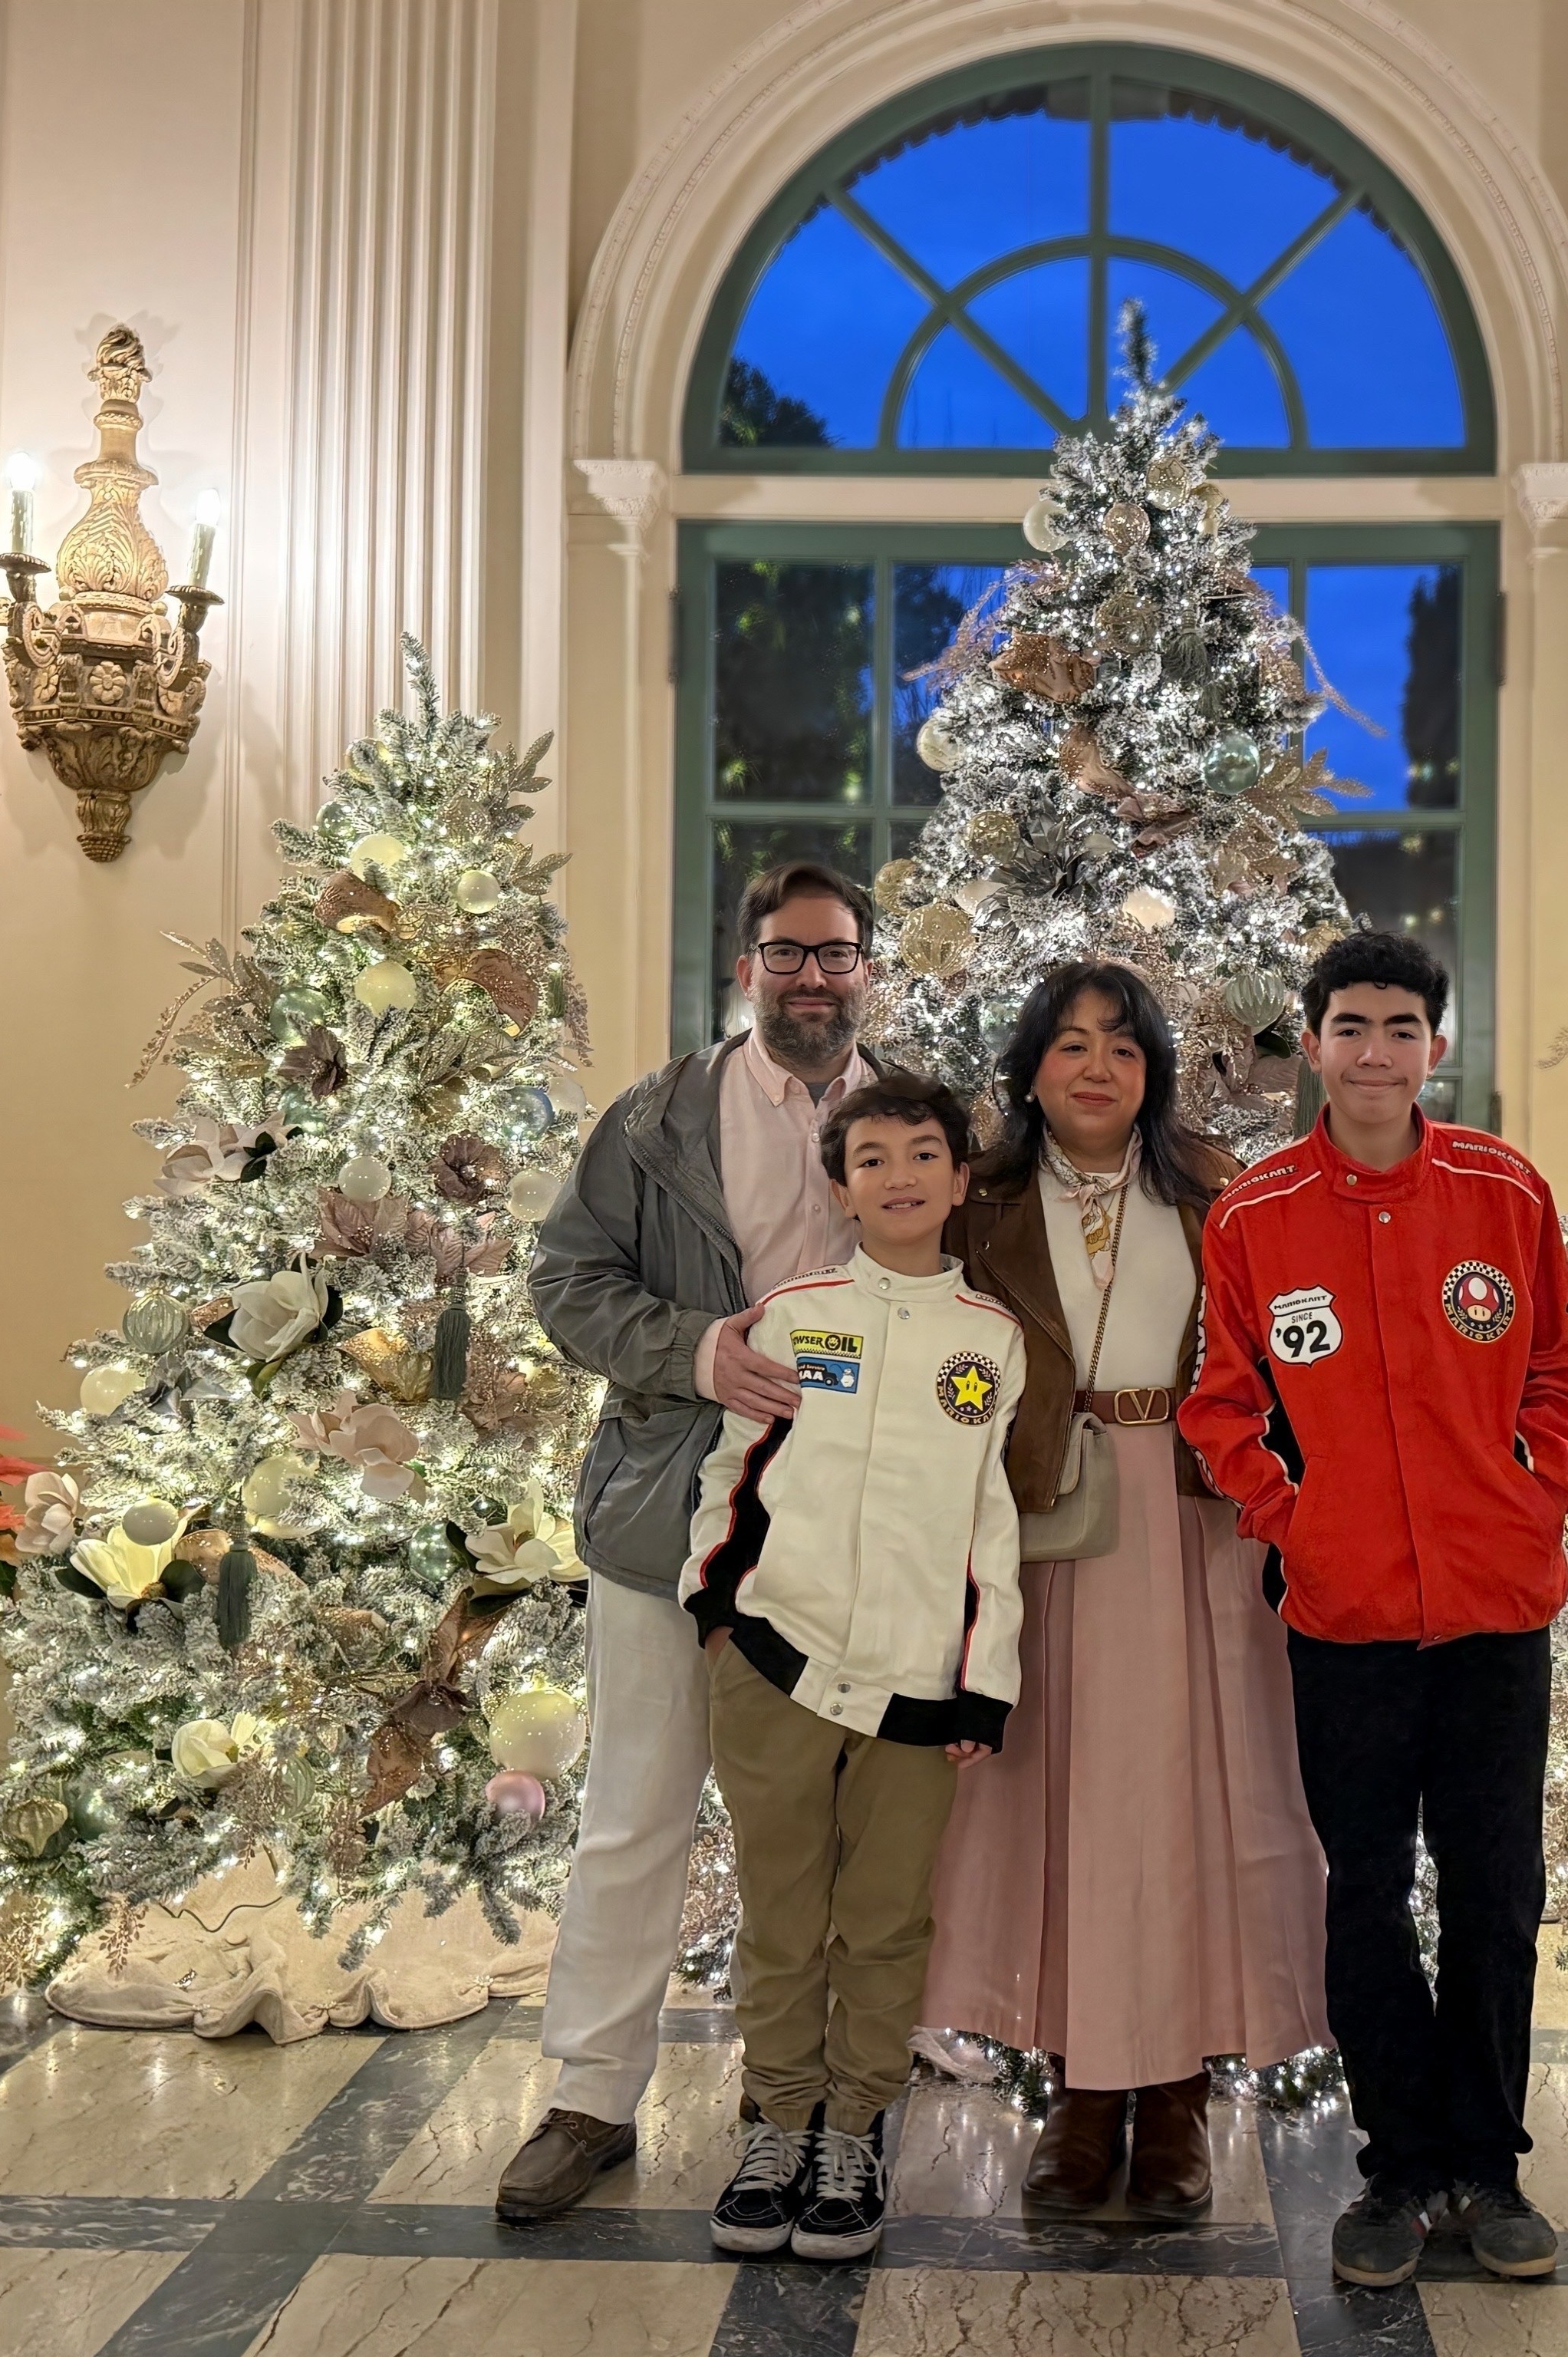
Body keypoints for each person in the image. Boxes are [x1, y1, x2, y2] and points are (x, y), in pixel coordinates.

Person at [1180, 929, 1568, 2289]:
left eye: (1400, 1026)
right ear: (1312, 1046)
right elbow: (1221, 1403)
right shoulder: (1256, 1214)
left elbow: (1565, 1360)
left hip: (1495, 1613)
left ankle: (1488, 2165)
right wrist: (1294, 1517)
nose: (1374, 1051)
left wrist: (1535, 1485)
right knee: (1365, 1895)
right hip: (1345, 1623)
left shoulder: (1502, 1190)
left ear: (1436, 1044)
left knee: (1495, 1894)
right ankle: (1399, 2169)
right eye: (1350, 1026)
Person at [502, 862, 881, 2221]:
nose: (812, 979)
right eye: (787, 955)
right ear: (747, 968)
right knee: (638, 1805)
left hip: (858, 1518)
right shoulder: (660, 1117)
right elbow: (566, 1278)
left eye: (836, 956)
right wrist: (699, 1351)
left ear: (869, 971)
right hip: (671, 1502)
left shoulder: (913, 1118)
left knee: (849, 1818)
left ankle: (835, 2094)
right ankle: (591, 2098)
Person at [919, 961, 1329, 2217]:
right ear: (1032, 1067)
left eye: (1123, 1048)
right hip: (1039, 1515)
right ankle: (1083, 2098)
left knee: (1194, 1808)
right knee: (1055, 1805)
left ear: (1151, 1072)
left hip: (1192, 1516)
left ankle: (1180, 2104)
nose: (1096, 1067)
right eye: (1070, 1045)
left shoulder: (1218, 1189)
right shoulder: (976, 1200)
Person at [684, 1073, 1025, 2262]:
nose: (899, 1176)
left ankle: (853, 2131)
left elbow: (992, 1525)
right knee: (783, 1916)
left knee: (882, 1922)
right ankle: (777, 2125)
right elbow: (738, 1468)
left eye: (923, 1154)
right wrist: (719, 1611)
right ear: (841, 1187)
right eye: (871, 1158)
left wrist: (986, 1679)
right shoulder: (793, 1313)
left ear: (960, 1180)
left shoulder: (990, 1344)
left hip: (916, 1686)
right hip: (776, 1659)